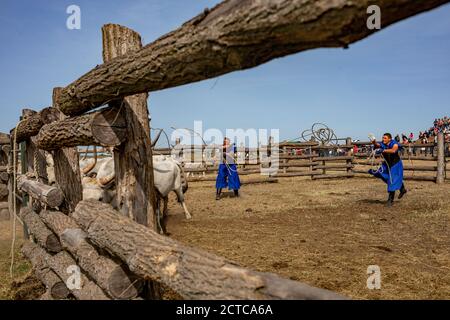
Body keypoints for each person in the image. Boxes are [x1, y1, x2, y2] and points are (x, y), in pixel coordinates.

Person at [368, 133, 407, 206]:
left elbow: (393, 150)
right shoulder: (382, 143)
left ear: (390, 139)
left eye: (385, 138)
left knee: (391, 181)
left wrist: (382, 150)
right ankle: (402, 189)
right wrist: (373, 141)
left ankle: (390, 200)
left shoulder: (394, 143)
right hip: (387, 164)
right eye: (383, 138)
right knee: (381, 173)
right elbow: (377, 145)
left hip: (395, 164)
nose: (383, 139)